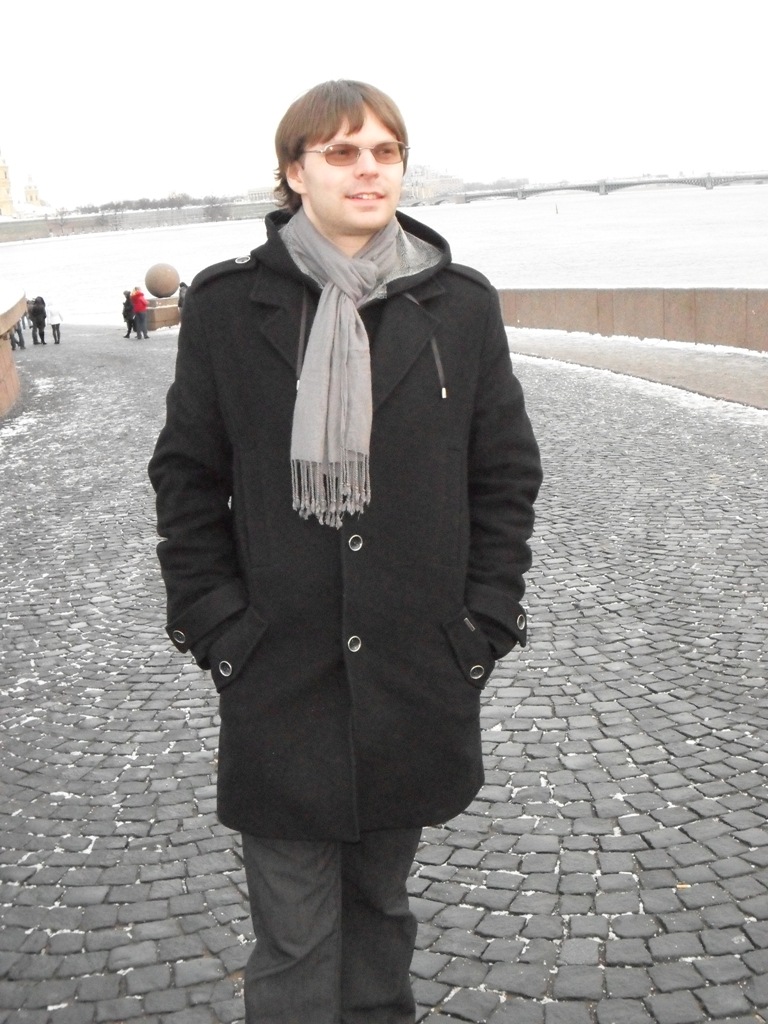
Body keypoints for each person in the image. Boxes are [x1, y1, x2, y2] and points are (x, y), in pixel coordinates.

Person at [148, 80, 542, 1024]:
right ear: (295, 171)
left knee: (381, 915)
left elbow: (505, 475)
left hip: (412, 671)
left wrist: (481, 624)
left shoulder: (458, 306)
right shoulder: (228, 306)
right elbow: (187, 479)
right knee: (293, 941)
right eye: (342, 152)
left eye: (385, 151)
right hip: (280, 670)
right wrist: (219, 629)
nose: (369, 169)